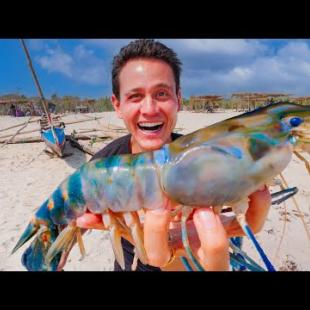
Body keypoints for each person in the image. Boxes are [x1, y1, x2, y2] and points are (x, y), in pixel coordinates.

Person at [69, 39, 271, 271]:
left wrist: (234, 232)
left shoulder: (206, 160)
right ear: (117, 105)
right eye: (135, 96)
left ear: (178, 99)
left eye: (162, 93)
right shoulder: (100, 167)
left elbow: (230, 222)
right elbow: (74, 222)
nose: (150, 109)